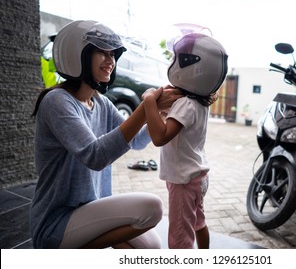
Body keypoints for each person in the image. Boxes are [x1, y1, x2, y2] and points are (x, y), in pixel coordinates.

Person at [29, 20, 182, 249]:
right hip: (55, 222)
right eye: (102, 52)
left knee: (151, 246)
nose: (110, 60)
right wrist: (145, 106)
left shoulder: (100, 103)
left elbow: (138, 141)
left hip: (88, 210)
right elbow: (95, 156)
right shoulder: (57, 102)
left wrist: (158, 112)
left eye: (113, 54)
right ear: (76, 55)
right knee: (152, 208)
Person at [142, 32, 228, 248]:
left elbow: (160, 137)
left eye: (175, 59)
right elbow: (173, 127)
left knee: (180, 237)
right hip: (197, 176)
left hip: (183, 182)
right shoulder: (199, 103)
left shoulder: (186, 104)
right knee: (199, 222)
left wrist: (149, 100)